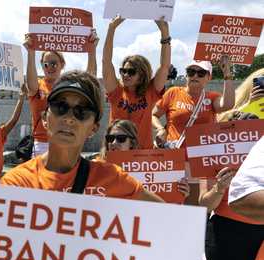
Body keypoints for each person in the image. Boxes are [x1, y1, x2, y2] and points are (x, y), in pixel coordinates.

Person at [1, 70, 162, 202]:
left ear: (94, 128)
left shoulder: (112, 178)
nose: (69, 118)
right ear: (44, 119)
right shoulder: (17, 183)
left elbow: (166, 216)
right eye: (60, 106)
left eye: (82, 112)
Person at [199, 113, 262, 260]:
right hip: (227, 234)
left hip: (261, 237)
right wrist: (219, 188)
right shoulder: (215, 156)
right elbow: (204, 205)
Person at [24, 29, 99, 156]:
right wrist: (31, 52)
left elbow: (89, 80)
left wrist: (92, 50)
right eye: (45, 64)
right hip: (42, 144)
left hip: (68, 141)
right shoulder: (38, 85)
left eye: (53, 63)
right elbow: (31, 86)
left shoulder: (70, 85)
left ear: (62, 64)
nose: (49, 67)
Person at [102, 15, 171, 149]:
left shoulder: (150, 91)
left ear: (142, 75)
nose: (126, 75)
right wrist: (111, 28)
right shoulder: (116, 91)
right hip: (116, 152)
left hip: (142, 155)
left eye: (131, 72)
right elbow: (106, 62)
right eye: (123, 71)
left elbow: (164, 66)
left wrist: (164, 32)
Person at [152, 59, 235, 148]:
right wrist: (160, 129)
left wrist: (227, 73)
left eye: (201, 73)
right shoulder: (173, 92)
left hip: (201, 155)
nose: (195, 76)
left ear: (209, 77)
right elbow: (153, 115)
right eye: (191, 72)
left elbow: (228, 104)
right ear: (186, 75)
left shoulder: (212, 97)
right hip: (175, 153)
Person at [99, 119, 189, 199]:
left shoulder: (147, 167)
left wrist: (180, 192)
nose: (114, 142)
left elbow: (159, 200)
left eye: (121, 139)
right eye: (110, 138)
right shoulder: (97, 167)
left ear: (131, 143)